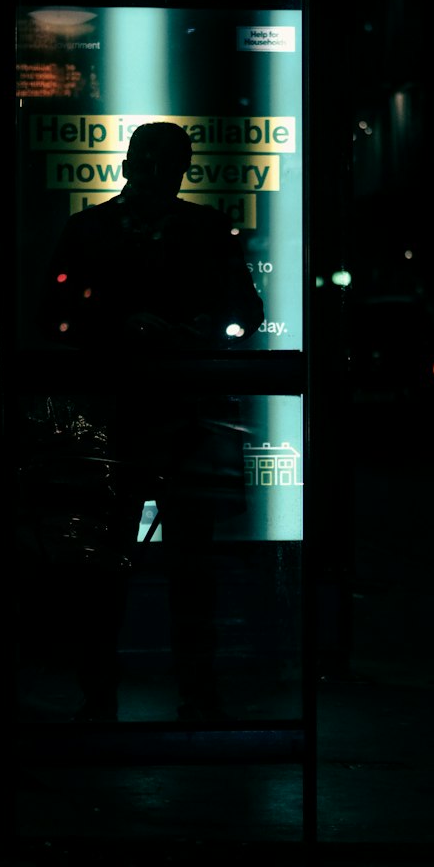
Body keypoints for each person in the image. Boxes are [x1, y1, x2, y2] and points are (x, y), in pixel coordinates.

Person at [38, 120, 265, 722]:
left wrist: (120, 328)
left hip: (119, 415)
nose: (163, 172)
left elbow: (56, 315)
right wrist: (201, 334)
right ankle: (194, 687)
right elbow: (245, 312)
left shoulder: (89, 231)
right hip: (185, 413)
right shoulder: (207, 229)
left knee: (109, 562)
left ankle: (102, 691)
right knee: (187, 564)